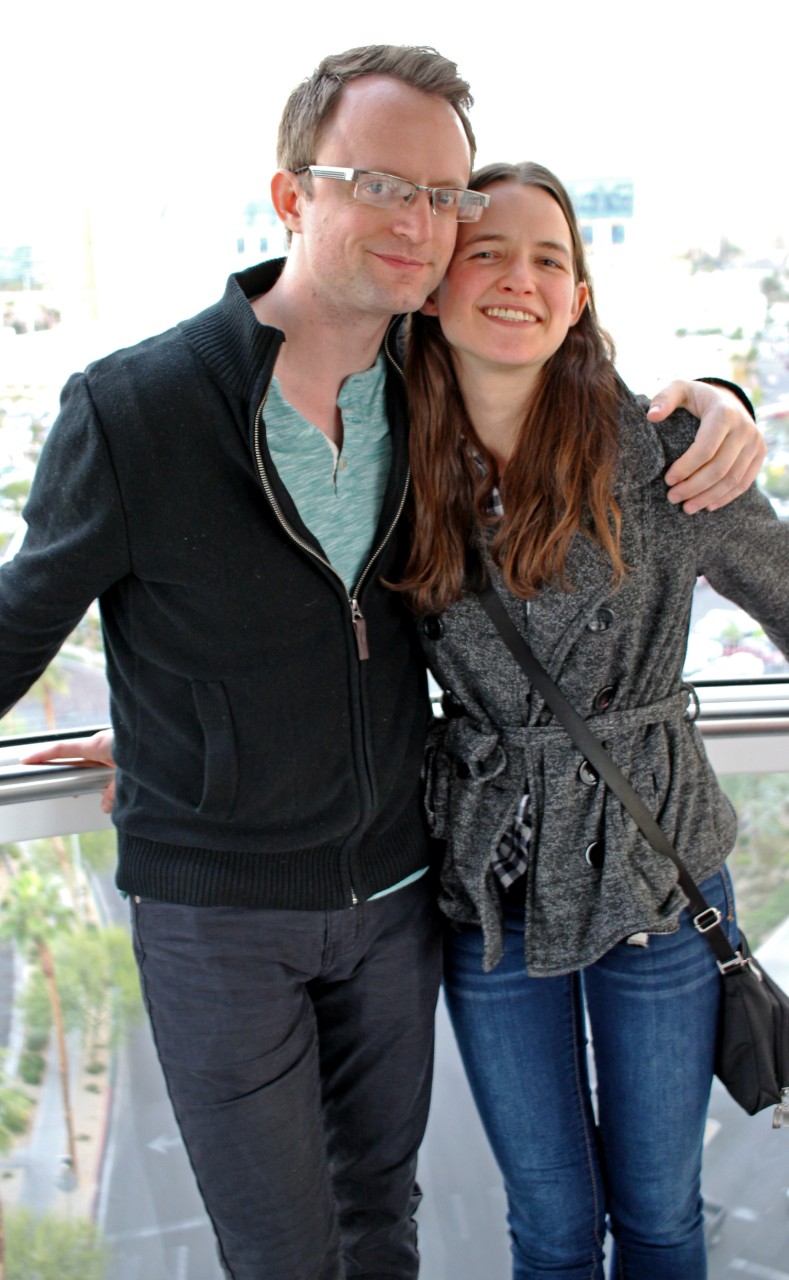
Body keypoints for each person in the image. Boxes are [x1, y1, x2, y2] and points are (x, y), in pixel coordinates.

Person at [0, 44, 765, 1280]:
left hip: (416, 892)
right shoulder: (139, 406)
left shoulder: (428, 391)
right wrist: (165, 735)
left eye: (443, 197)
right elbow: (24, 622)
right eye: (383, 183)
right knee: (294, 1249)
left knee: (393, 1226)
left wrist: (725, 398)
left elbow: (582, 401)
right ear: (294, 194)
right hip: (240, 910)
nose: (425, 223)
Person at [401, 161, 789, 1280]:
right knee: (554, 1225)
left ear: (578, 297)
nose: (520, 279)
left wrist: (727, 402)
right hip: (489, 878)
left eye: (550, 260)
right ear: (434, 283)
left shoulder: (666, 453)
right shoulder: (393, 463)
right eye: (488, 253)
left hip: (655, 871)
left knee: (663, 1214)